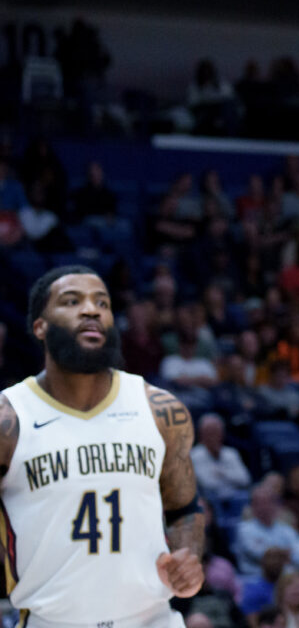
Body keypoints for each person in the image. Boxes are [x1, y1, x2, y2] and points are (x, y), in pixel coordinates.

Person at [0, 265, 206, 627]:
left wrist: (187, 558)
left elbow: (184, 509)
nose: (91, 310)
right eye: (72, 301)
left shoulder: (160, 410)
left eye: (102, 303)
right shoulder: (10, 420)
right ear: (40, 327)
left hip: (153, 620)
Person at [191, 412, 253, 500]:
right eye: (210, 432)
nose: (214, 436)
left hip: (234, 498)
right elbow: (208, 483)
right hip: (209, 500)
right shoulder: (194, 455)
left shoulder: (231, 453)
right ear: (201, 434)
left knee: (246, 496)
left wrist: (221, 473)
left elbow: (245, 479)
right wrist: (230, 478)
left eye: (217, 432)